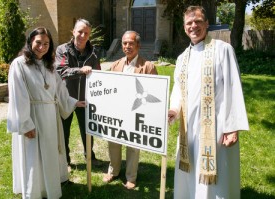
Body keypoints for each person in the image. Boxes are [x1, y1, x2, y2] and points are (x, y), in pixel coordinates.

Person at [168, 6, 249, 199]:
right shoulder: (182, 59)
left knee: (218, 175)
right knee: (190, 171)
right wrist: (173, 109)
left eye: (198, 21)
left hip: (217, 126)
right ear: (184, 27)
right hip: (188, 128)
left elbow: (233, 86)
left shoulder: (223, 50)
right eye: (189, 23)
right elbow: (178, 89)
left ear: (206, 24)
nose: (193, 26)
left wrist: (232, 126)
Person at [7, 27, 85, 199]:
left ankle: (49, 187)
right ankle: (34, 190)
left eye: (46, 44)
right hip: (32, 116)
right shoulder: (19, 64)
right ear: (30, 42)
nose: (42, 47)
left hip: (50, 116)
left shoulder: (50, 65)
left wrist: (73, 102)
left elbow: (59, 89)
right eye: (38, 43)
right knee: (33, 154)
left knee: (49, 152)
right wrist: (25, 124)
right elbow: (18, 95)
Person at [102, 30, 158, 189]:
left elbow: (155, 93)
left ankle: (131, 177)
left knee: (133, 145)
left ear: (138, 45)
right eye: (125, 43)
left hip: (136, 113)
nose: (127, 46)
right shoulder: (115, 64)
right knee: (113, 141)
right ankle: (113, 171)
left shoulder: (148, 66)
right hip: (117, 112)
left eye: (131, 43)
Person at [55, 18, 101, 166]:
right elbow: (61, 70)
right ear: (73, 31)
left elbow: (98, 75)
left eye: (86, 33)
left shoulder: (93, 53)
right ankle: (65, 161)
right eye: (80, 31)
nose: (82, 35)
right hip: (66, 98)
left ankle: (90, 157)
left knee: (88, 131)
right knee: (64, 131)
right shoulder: (62, 49)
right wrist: (81, 70)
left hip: (85, 99)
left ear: (89, 35)